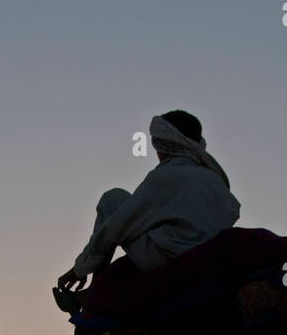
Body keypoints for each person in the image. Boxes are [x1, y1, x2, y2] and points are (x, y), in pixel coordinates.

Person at [56, 111, 240, 295]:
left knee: (113, 199)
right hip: (209, 258)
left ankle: (93, 293)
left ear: (164, 145)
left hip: (169, 258)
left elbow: (119, 225)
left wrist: (81, 267)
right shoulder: (217, 180)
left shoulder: (167, 174)